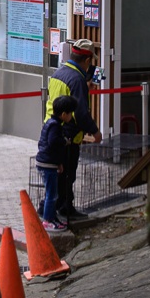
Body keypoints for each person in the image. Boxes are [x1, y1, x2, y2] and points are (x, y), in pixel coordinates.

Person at [45, 38, 102, 220]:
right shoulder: (77, 79)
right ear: (86, 61)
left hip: (52, 128)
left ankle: (53, 206)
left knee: (58, 174)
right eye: (90, 62)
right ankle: (65, 208)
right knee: (68, 174)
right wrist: (95, 131)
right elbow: (80, 113)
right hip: (68, 135)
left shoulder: (59, 72)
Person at [37, 94, 77, 231]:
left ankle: (52, 217)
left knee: (53, 193)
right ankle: (47, 220)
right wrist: (65, 141)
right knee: (52, 194)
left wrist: (59, 163)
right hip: (47, 164)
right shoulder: (55, 126)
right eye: (70, 113)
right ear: (64, 114)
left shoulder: (51, 122)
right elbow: (53, 143)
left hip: (49, 162)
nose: (71, 116)